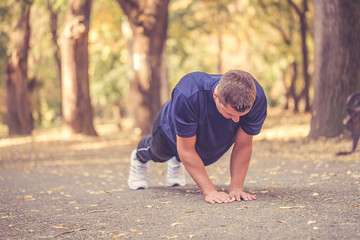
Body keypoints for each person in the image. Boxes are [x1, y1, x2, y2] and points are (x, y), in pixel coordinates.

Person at [128, 70, 267, 204]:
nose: (236, 120)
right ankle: (139, 157)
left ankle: (177, 160)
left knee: (200, 155)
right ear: (216, 96)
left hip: (212, 135)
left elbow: (243, 145)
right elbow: (186, 149)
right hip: (170, 131)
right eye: (230, 114)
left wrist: (236, 188)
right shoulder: (188, 92)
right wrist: (210, 191)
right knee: (158, 153)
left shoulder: (256, 97)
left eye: (241, 116)